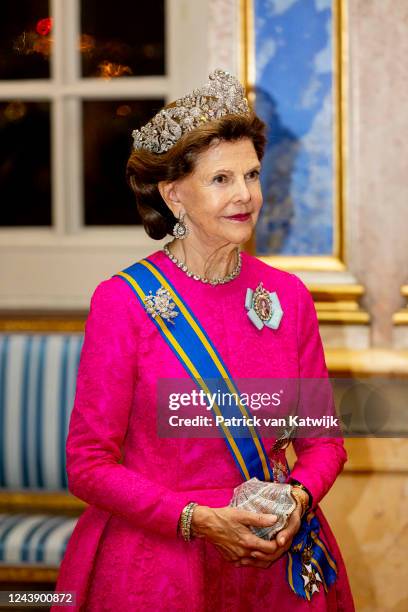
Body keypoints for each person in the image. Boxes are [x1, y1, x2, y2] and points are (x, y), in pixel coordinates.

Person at [52, 69, 355, 611]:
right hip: (162, 564)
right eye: (221, 180)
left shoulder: (289, 297)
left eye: (253, 175)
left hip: (273, 556)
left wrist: (298, 502)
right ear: (173, 195)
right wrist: (196, 519)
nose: (245, 195)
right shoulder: (123, 303)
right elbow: (89, 464)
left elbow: (322, 442)